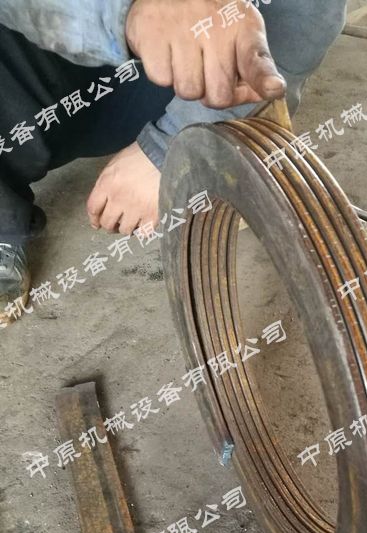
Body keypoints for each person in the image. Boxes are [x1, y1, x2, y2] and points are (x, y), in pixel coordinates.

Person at [0, 0, 347, 325]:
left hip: (184, 68)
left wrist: (171, 145)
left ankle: (216, 132)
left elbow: (307, 13)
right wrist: (127, 13)